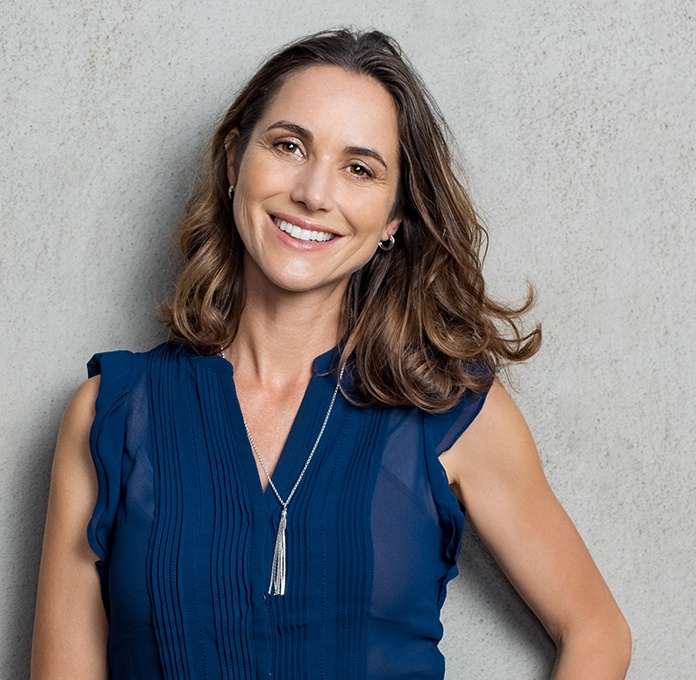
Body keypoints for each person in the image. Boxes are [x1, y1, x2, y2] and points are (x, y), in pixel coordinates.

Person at [31, 28, 630, 679]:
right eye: (288, 145)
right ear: (235, 161)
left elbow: (595, 630)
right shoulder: (112, 415)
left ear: (396, 217)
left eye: (359, 168)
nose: (314, 192)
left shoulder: (452, 413)